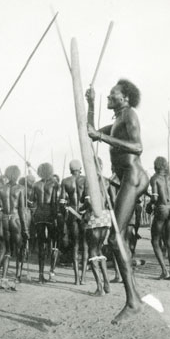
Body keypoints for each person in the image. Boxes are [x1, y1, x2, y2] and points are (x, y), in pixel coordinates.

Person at [86, 80, 149, 323]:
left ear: (125, 98)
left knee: (114, 238)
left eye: (113, 94)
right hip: (125, 178)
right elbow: (89, 131)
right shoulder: (116, 121)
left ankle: (132, 302)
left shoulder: (129, 115)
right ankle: (135, 298)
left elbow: (138, 147)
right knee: (117, 238)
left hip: (133, 176)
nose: (109, 97)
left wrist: (102, 136)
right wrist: (90, 103)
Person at [147, 157, 170, 279]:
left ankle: (164, 271)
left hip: (161, 209)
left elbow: (155, 198)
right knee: (169, 241)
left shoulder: (154, 178)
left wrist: (149, 204)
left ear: (155, 166)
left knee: (155, 240)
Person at [80, 157, 111, 296]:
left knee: (92, 252)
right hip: (105, 216)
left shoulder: (89, 180)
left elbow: (87, 201)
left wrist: (81, 210)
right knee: (99, 250)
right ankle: (107, 283)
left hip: (94, 216)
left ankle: (99, 287)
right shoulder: (106, 180)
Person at [0, 165, 29, 288]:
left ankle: (4, 278)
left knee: (7, 250)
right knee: (20, 249)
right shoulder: (21, 188)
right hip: (16, 219)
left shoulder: (1, 188)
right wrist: (25, 228)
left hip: (5, 219)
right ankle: (17, 277)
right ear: (17, 174)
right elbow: (21, 209)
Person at [60, 160, 88, 285]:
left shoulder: (65, 181)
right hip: (84, 215)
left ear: (70, 169)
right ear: (80, 168)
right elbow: (88, 200)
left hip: (72, 214)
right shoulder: (85, 179)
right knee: (85, 245)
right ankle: (83, 278)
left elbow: (61, 202)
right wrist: (83, 211)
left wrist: (66, 211)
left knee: (75, 246)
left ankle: (76, 279)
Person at [32, 162, 59, 284]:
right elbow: (54, 203)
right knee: (53, 244)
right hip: (50, 214)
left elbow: (32, 202)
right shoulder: (54, 184)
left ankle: (40, 275)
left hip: (38, 215)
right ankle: (52, 271)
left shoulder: (36, 185)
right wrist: (56, 217)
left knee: (41, 245)